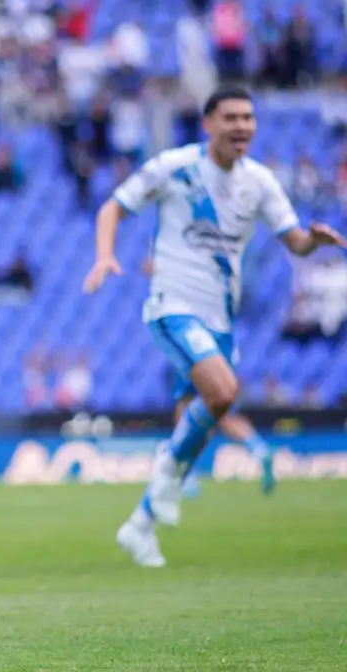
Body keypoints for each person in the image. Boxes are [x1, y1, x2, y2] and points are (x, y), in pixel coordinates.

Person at [83, 85, 347, 568]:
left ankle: (140, 524)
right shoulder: (175, 167)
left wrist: (313, 242)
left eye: (248, 117)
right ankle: (167, 472)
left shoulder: (261, 182)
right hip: (173, 304)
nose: (242, 125)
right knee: (223, 393)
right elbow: (112, 207)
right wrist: (105, 257)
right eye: (231, 117)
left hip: (220, 316)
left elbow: (294, 242)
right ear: (208, 125)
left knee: (200, 411)